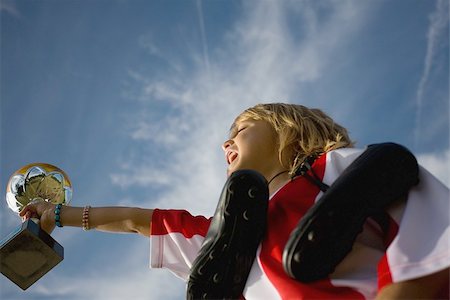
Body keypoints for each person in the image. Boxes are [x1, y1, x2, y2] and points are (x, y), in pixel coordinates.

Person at [20, 103, 449, 299]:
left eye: (242, 128)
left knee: (384, 168)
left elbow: (429, 227)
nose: (227, 141)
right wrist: (58, 214)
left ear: (290, 131)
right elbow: (138, 220)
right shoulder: (225, 235)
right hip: (239, 260)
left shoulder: (334, 170)